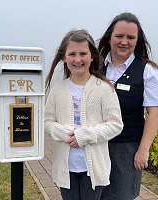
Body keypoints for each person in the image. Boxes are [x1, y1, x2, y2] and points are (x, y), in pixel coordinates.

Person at [44, 29, 123, 200]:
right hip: (66, 168)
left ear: (92, 56)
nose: (78, 59)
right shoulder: (57, 89)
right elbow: (47, 121)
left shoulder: (104, 88)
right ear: (64, 57)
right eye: (72, 54)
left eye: (83, 53)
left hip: (93, 168)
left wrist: (84, 135)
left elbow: (116, 125)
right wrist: (66, 134)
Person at [98, 12, 158, 200]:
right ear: (110, 38)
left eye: (130, 37)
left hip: (126, 148)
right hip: (96, 144)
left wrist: (143, 150)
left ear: (137, 41)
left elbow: (154, 113)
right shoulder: (95, 67)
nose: (124, 41)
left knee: (121, 196)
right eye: (119, 36)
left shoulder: (147, 70)